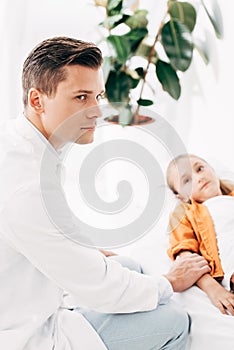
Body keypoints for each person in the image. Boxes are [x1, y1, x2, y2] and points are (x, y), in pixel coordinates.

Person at [0, 37, 211, 350]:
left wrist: (82, 251)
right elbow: (101, 288)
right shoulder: (28, 186)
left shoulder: (19, 143)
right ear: (37, 100)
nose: (97, 111)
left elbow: (45, 234)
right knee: (175, 322)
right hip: (24, 331)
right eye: (81, 97)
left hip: (27, 293)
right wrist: (170, 282)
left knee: (134, 268)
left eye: (97, 95)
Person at [166, 153, 234, 316]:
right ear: (182, 196)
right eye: (187, 180)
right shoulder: (185, 213)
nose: (198, 177)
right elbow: (186, 258)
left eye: (200, 168)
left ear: (212, 169)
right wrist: (213, 289)